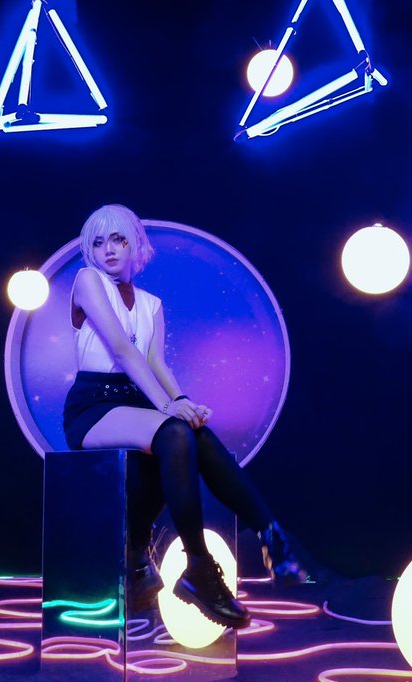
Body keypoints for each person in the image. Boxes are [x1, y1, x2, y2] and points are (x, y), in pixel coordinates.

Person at [61, 204, 308, 631]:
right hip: (93, 405)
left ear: (136, 244)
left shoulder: (152, 303)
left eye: (118, 239)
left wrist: (182, 401)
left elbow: (155, 362)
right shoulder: (88, 281)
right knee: (175, 433)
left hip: (135, 401)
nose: (108, 250)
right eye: (98, 243)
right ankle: (199, 565)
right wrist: (166, 407)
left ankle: (269, 532)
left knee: (195, 432)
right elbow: (121, 349)